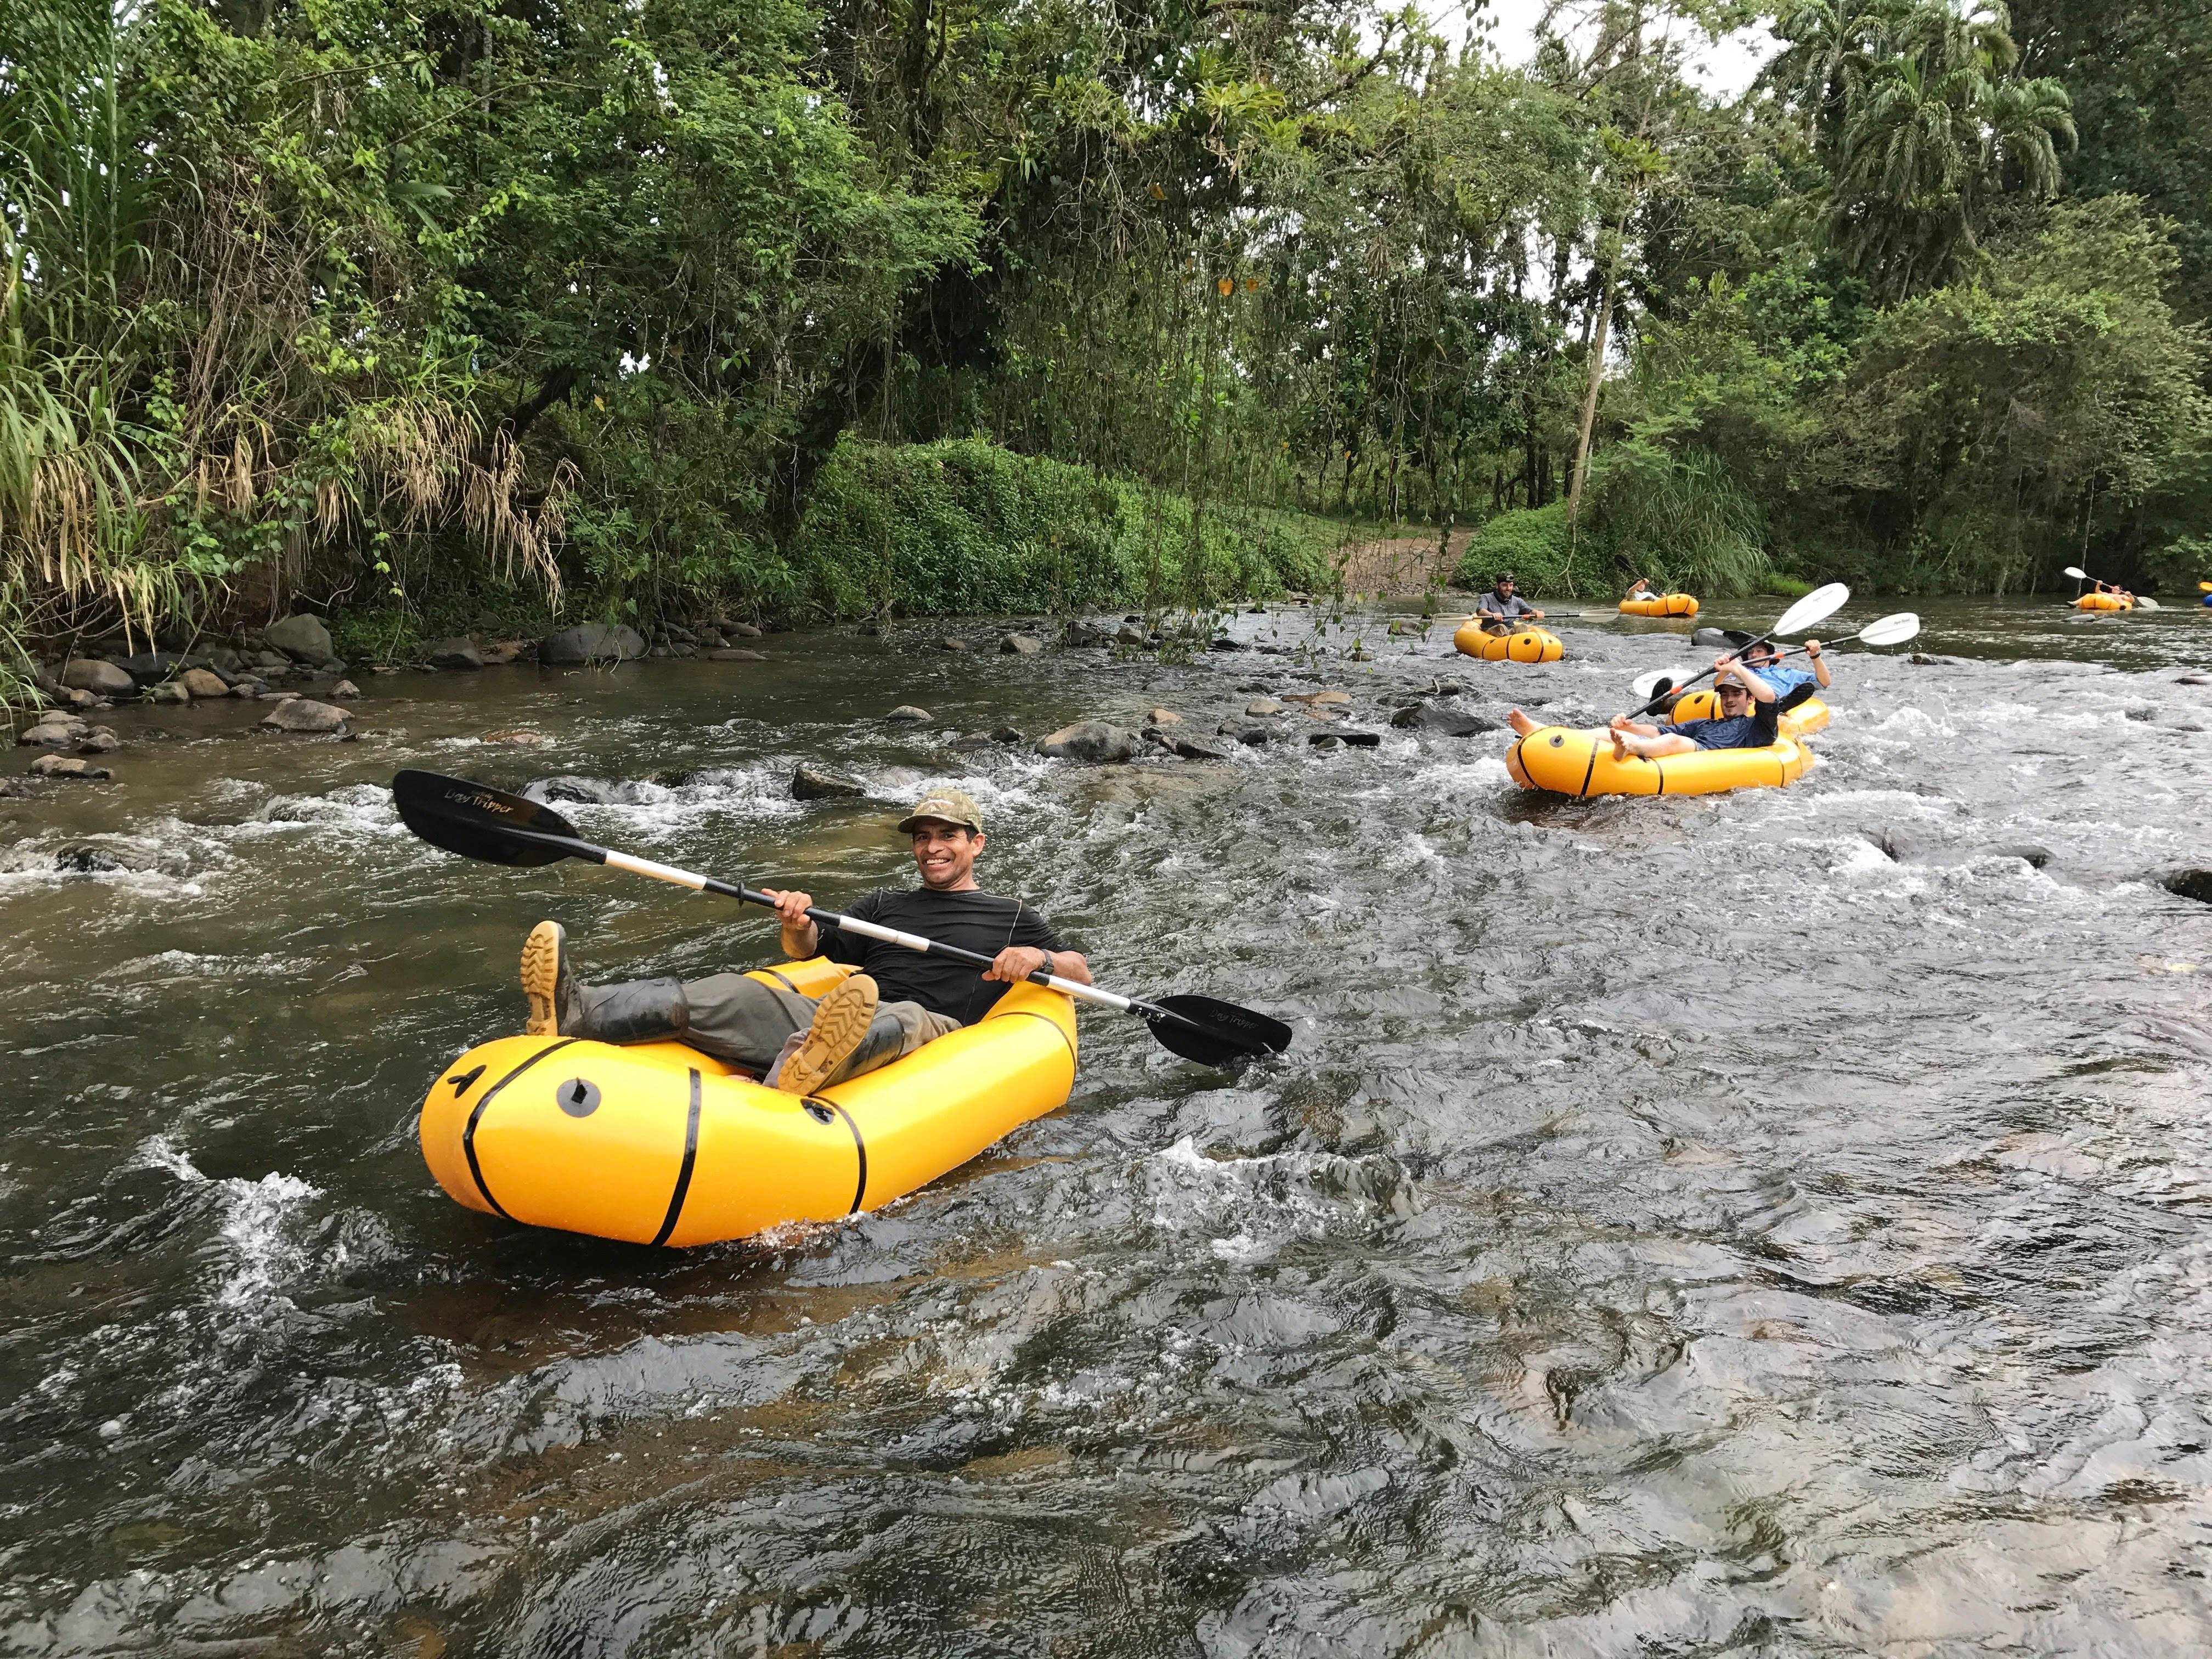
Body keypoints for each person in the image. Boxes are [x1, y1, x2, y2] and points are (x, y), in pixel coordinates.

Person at [517, 787, 1091, 1096]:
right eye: (923, 838)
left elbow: (1080, 974)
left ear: (977, 844)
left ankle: (798, 1068)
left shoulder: (1012, 914)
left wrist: (1038, 956)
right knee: (729, 993)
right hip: (833, 1013)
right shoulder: (882, 906)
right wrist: (796, 922)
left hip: (932, 1029)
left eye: (947, 836)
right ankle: (577, 1009)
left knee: (904, 1015)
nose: (932, 847)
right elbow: (810, 950)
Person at [1505, 654, 1777, 760]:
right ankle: (1542, 730)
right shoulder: (1707, 724)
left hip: (1703, 754)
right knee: (1603, 731)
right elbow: (1658, 730)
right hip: (1680, 744)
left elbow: (1769, 697)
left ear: (1748, 698)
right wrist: (1630, 726)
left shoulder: (1758, 727)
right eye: (1725, 694)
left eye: (1736, 695)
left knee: (1675, 740)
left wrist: (1737, 669)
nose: (1729, 700)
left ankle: (1631, 748)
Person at [1742, 636, 1828, 699]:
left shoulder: (1788, 674)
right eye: (1750, 652)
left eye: (1759, 651)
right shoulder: (1740, 671)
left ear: (1769, 654)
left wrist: (1815, 655)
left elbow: (1824, 682)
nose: (1754, 655)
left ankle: (1782, 705)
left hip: (1771, 708)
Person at [1475, 571, 1544, 631]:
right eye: (1505, 585)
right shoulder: (1486, 598)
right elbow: (1481, 611)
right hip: (1492, 630)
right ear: (1497, 586)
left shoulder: (1517, 601)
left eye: (1511, 585)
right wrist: (1492, 615)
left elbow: (1529, 611)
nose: (1508, 588)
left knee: (1523, 628)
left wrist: (1537, 613)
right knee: (1501, 628)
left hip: (1510, 631)